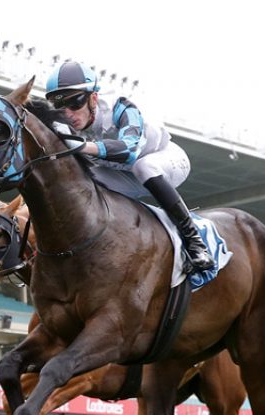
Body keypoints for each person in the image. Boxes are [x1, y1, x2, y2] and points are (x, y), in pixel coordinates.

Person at [45, 61, 214, 273]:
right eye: (59, 106)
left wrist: (82, 146)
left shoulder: (121, 107)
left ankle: (194, 240)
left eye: (75, 103)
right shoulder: (61, 124)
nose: (68, 113)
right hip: (121, 173)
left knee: (143, 167)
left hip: (163, 160)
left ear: (93, 98)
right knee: (81, 181)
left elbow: (129, 151)